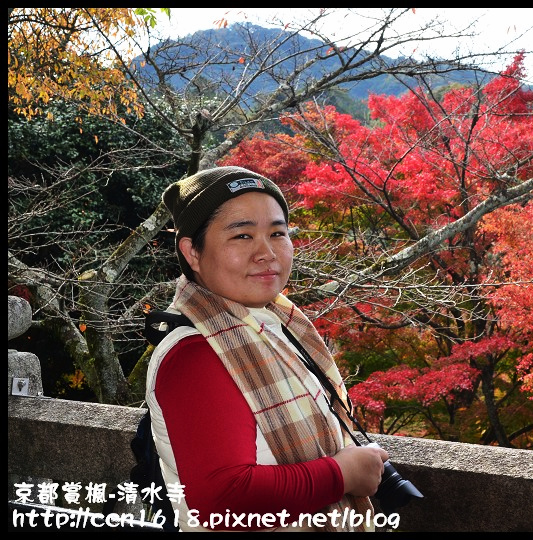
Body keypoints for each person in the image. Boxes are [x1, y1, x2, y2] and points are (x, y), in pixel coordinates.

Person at [145, 166, 389, 532]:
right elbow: (221, 502)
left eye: (278, 233)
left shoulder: (274, 323)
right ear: (192, 253)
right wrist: (343, 474)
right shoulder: (196, 354)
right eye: (242, 235)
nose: (266, 252)